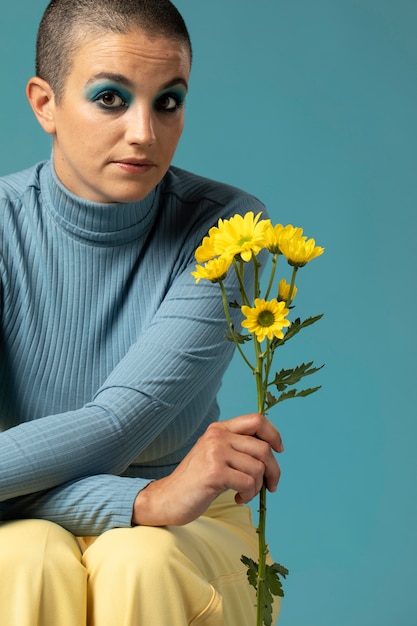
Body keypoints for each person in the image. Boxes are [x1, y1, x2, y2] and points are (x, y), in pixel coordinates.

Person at [0, 1, 283, 624]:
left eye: (168, 101)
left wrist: (156, 510)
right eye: (110, 98)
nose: (144, 133)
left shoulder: (229, 230)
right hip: (39, 513)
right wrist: (144, 499)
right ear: (44, 103)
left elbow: (116, 425)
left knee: (138, 561)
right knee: (23, 558)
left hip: (192, 522)